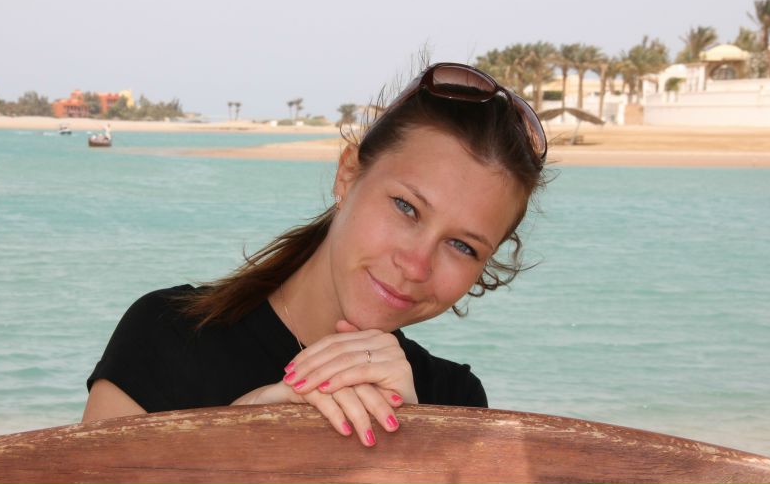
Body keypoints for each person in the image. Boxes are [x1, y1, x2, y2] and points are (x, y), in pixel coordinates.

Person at [82, 62, 548, 447]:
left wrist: (410, 446)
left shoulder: (454, 402)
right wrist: (230, 440)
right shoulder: (167, 336)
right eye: (406, 207)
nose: (416, 265)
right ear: (348, 176)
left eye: (462, 246)